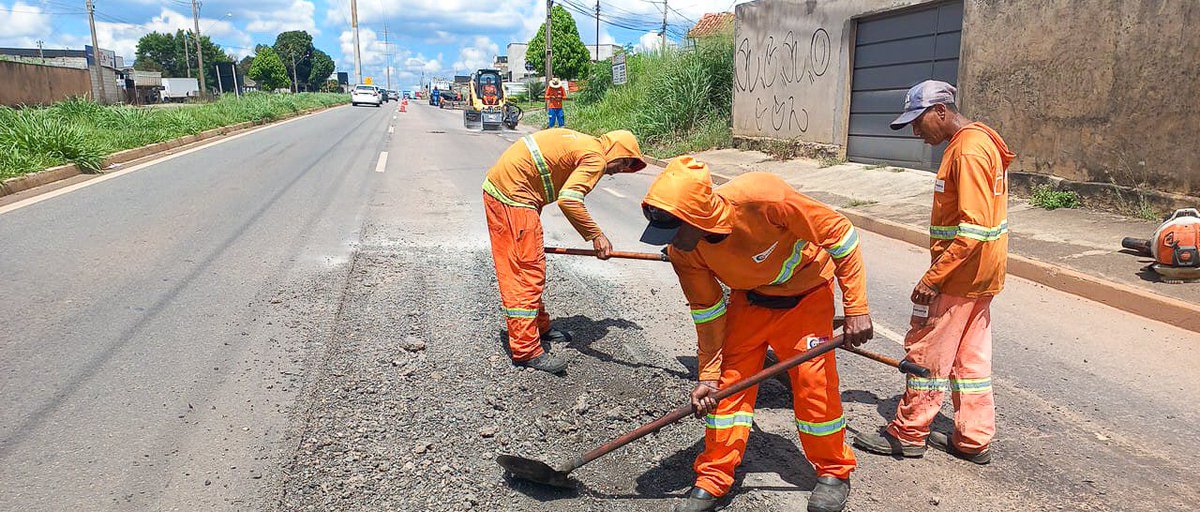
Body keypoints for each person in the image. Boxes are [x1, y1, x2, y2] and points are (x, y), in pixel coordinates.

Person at [640, 156, 874, 512]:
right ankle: (713, 477)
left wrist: (856, 307)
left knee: (814, 385)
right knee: (728, 386)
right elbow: (707, 313)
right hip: (749, 304)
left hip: (806, 299)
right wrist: (708, 375)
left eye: (674, 232)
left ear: (699, 216)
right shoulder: (684, 253)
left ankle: (833, 472)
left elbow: (841, 236)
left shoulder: (764, 198)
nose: (671, 242)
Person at [852, 80, 1013, 465]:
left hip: (957, 277)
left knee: (927, 353)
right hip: (981, 278)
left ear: (941, 111)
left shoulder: (968, 151)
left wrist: (933, 278)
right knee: (972, 360)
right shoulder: (979, 143)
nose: (915, 131)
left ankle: (908, 432)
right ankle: (973, 439)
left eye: (918, 120)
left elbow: (972, 228)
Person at [484, 129, 646, 374]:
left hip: (512, 193)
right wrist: (596, 235)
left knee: (530, 265)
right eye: (623, 163)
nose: (618, 170)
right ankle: (526, 349)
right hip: (513, 199)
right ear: (618, 152)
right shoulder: (596, 157)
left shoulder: (587, 144)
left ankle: (540, 327)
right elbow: (569, 199)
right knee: (526, 273)